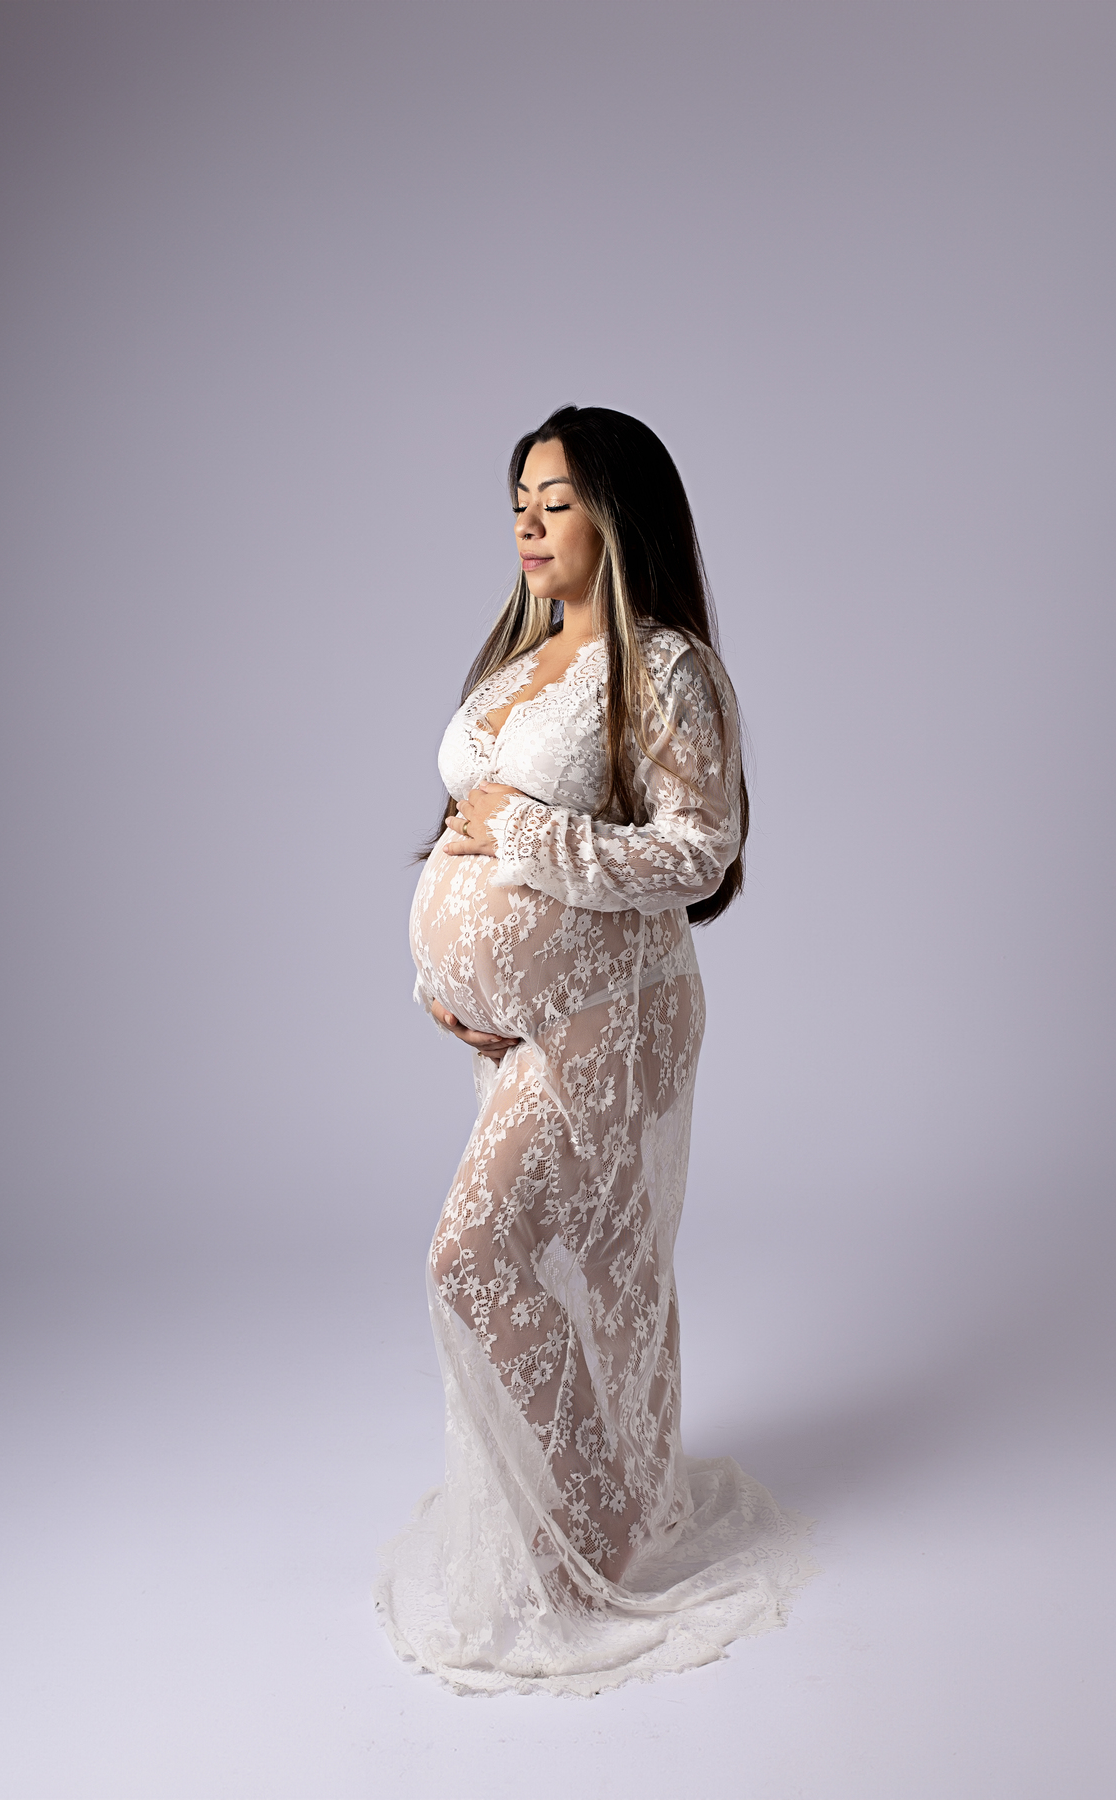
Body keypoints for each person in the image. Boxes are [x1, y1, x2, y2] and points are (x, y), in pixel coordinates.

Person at [375, 406, 814, 1695]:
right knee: (540, 1260)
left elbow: (700, 850)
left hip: (618, 1018)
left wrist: (523, 841)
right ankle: (585, 1509)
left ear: (619, 516)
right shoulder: (519, 660)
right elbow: (465, 830)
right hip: (534, 1021)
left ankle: (594, 1534)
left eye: (556, 500)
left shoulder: (667, 667)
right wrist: (444, 976)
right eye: (518, 499)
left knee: (487, 1257)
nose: (527, 522)